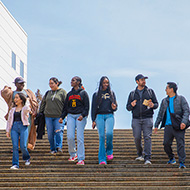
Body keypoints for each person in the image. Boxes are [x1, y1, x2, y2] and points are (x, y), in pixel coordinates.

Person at [154, 82, 189, 169]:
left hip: (178, 125)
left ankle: (182, 162)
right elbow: (160, 114)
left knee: (180, 144)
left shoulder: (181, 99)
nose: (165, 90)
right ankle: (171, 158)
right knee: (166, 144)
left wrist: (184, 122)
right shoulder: (164, 101)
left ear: (171, 89)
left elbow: (186, 111)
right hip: (168, 126)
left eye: (167, 88)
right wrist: (156, 125)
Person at [126, 74, 158, 165]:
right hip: (136, 119)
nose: (144, 81)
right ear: (137, 81)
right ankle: (140, 154)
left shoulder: (150, 91)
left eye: (144, 79)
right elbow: (127, 107)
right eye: (142, 80)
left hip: (148, 118)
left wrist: (153, 105)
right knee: (137, 137)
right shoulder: (132, 94)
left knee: (147, 137)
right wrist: (131, 105)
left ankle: (147, 157)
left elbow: (156, 104)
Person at [1, 77, 38, 150]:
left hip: (26, 115)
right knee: (14, 130)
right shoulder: (12, 93)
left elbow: (34, 102)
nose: (22, 85)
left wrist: (34, 110)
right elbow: (3, 92)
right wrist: (8, 88)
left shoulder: (27, 92)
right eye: (20, 83)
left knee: (26, 130)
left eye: (23, 83)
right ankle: (16, 146)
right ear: (16, 84)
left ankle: (24, 146)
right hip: (15, 114)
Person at [59, 76, 89, 165]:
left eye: (73, 80)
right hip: (71, 116)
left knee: (80, 137)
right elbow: (65, 107)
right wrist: (62, 117)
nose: (71, 82)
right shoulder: (69, 94)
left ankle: (81, 158)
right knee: (70, 136)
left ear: (78, 82)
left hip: (80, 116)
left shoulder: (83, 93)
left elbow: (87, 107)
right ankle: (73, 154)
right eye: (71, 80)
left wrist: (83, 115)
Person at [91, 76, 117, 165]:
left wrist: (114, 107)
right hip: (99, 116)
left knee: (109, 133)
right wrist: (93, 120)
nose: (106, 84)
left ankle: (109, 151)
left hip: (109, 115)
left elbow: (114, 107)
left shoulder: (112, 93)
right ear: (101, 83)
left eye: (107, 83)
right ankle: (102, 159)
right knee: (101, 137)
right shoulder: (96, 94)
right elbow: (93, 108)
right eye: (104, 82)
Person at [39, 77, 67, 154]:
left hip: (59, 116)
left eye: (52, 83)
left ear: (57, 83)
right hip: (48, 116)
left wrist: (65, 115)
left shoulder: (62, 92)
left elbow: (66, 104)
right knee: (50, 134)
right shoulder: (48, 93)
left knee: (58, 131)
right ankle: (52, 148)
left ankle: (59, 147)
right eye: (49, 84)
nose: (50, 85)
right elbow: (43, 103)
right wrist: (40, 112)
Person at [6, 93, 31, 169]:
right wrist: (8, 131)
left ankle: (26, 158)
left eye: (17, 98)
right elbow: (9, 121)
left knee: (23, 146)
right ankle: (15, 164)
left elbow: (28, 109)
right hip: (14, 127)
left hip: (23, 126)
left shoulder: (24, 109)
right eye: (15, 98)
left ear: (21, 99)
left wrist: (27, 101)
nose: (15, 99)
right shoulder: (12, 110)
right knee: (15, 146)